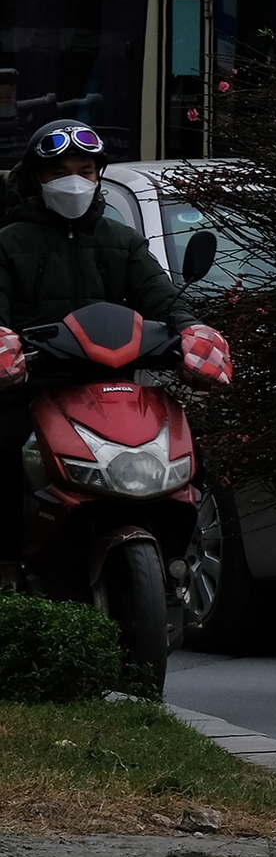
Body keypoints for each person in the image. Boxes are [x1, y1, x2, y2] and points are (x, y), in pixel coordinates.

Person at [0, 120, 231, 590]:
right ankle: (6, 566)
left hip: (115, 391)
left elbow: (164, 299)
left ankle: (175, 563)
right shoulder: (8, 242)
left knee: (193, 458)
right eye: (59, 171)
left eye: (86, 170)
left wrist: (194, 334)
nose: (74, 181)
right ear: (34, 179)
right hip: (34, 390)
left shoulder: (120, 239)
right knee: (4, 453)